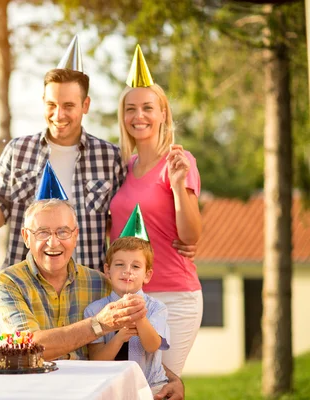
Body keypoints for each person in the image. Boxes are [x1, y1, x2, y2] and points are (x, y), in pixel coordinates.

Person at [0, 36, 193, 271]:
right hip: (25, 284)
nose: (58, 115)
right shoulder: (17, 151)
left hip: (87, 286)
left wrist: (173, 243)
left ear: (85, 105)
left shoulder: (110, 157)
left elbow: (127, 215)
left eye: (68, 106)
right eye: (52, 105)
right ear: (43, 102)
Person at [0, 198, 184, 399]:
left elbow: (136, 344)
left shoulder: (100, 283)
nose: (53, 242)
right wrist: (99, 324)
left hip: (87, 391)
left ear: (75, 236)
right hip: (30, 391)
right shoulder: (6, 283)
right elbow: (28, 348)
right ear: (26, 237)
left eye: (63, 232)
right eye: (42, 232)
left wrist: (172, 380)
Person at [109, 45, 203, 376]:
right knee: (134, 389)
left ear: (163, 113)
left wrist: (178, 185)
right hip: (131, 297)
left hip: (175, 296)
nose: (139, 116)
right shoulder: (124, 167)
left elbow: (191, 236)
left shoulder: (179, 162)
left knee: (162, 386)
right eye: (131, 109)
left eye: (148, 107)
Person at [85, 234, 170, 396]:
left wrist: (139, 316)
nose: (127, 271)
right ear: (107, 271)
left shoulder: (157, 308)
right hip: (109, 389)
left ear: (147, 275)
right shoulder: (94, 311)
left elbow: (152, 346)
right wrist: (119, 337)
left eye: (136, 267)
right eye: (119, 264)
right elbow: (97, 360)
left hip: (150, 387)